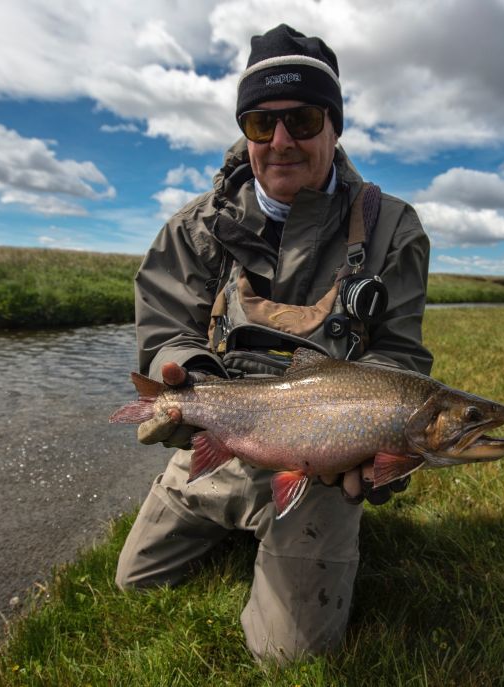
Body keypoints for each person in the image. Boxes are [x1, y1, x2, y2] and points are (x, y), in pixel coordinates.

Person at [116, 23, 433, 662]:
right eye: (262, 123)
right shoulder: (195, 228)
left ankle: (288, 532)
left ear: (334, 126)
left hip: (322, 466)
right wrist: (182, 375)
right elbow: (167, 331)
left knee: (288, 658)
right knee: (135, 582)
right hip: (229, 433)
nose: (282, 141)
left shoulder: (392, 227)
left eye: (304, 119)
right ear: (247, 131)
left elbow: (398, 352)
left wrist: (386, 441)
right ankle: (238, 517)